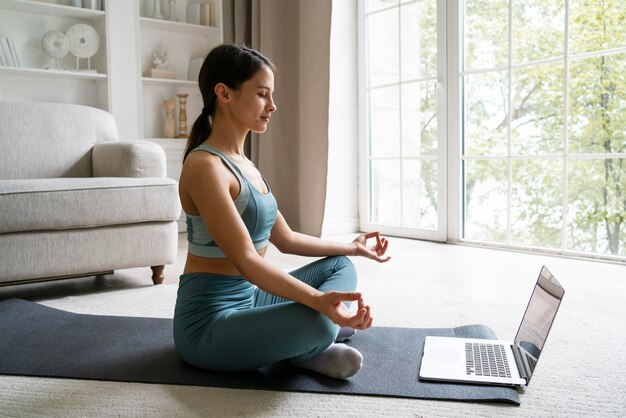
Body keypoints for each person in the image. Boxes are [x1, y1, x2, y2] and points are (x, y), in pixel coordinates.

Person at [173, 44, 391, 380]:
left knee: (340, 265)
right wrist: (319, 302)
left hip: (252, 300)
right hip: (209, 325)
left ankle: (308, 341)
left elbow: (286, 239)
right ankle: (313, 341)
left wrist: (353, 246)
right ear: (224, 93)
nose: (272, 106)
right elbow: (247, 259)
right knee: (319, 318)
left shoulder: (245, 165)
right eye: (262, 94)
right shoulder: (206, 166)